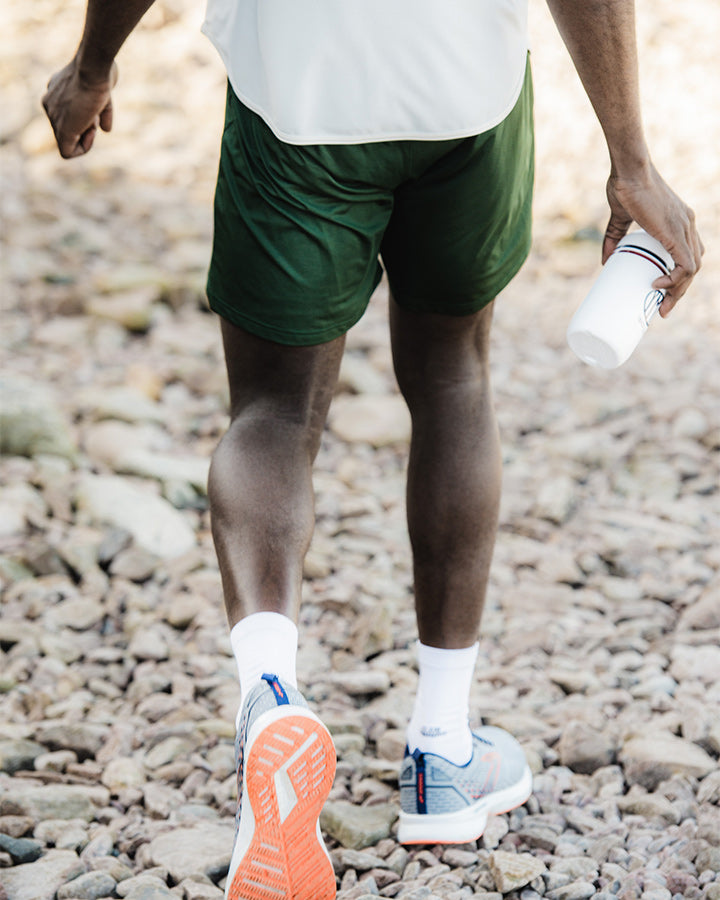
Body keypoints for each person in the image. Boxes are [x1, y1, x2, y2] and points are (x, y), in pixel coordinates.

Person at [43, 1, 703, 898]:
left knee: (273, 413)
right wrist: (632, 160)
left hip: (298, 97)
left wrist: (93, 66)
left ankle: (271, 701)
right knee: (452, 383)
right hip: (463, 94)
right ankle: (441, 751)